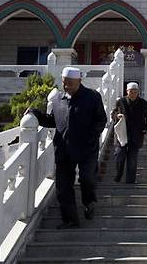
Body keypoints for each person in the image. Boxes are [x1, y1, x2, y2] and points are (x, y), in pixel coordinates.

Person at [28, 67, 107, 229]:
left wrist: (92, 136)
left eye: (70, 83)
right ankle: (70, 220)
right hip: (64, 149)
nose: (67, 87)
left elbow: (101, 120)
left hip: (87, 149)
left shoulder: (92, 97)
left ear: (79, 81)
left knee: (87, 179)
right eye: (64, 83)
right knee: (63, 187)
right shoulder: (58, 98)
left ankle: (89, 202)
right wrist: (36, 113)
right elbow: (53, 121)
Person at [111, 82, 147, 183]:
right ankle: (118, 175)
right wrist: (117, 116)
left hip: (136, 134)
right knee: (119, 156)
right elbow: (113, 113)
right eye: (131, 92)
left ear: (138, 92)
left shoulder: (143, 103)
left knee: (132, 159)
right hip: (122, 134)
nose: (133, 94)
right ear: (127, 92)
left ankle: (130, 181)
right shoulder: (120, 101)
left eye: (135, 92)